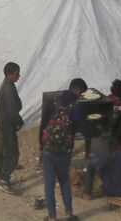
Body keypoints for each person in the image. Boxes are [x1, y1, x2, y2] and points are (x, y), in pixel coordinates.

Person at [40, 89, 77, 221]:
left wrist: (42, 145)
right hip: (64, 153)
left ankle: (52, 216)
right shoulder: (73, 113)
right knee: (64, 181)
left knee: (49, 184)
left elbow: (44, 126)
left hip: (48, 151)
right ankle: (69, 213)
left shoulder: (53, 109)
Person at [76, 133, 121, 199]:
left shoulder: (111, 157)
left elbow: (93, 163)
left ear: (115, 142)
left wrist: (97, 158)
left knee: (91, 165)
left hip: (115, 191)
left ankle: (87, 193)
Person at [0, 62, 23, 193]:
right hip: (7, 125)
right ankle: (4, 180)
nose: (18, 76)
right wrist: (19, 122)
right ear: (9, 74)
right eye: (16, 74)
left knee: (0, 152)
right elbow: (12, 109)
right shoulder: (8, 88)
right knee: (12, 154)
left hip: (2, 124)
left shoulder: (8, 85)